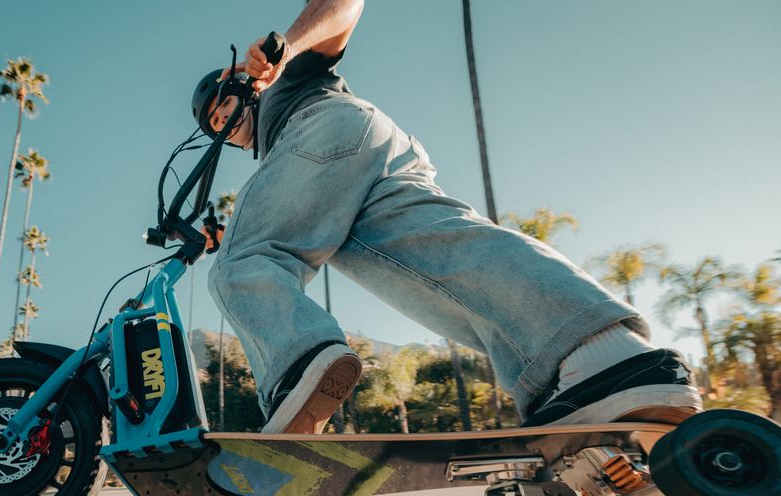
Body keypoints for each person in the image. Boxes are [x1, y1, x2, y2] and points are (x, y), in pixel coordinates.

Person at [196, 0, 701, 434]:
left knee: (244, 263)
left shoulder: (285, 87)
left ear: (242, 84)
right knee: (438, 249)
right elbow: (295, 201)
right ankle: (603, 359)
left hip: (323, 125)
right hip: (366, 149)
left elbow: (345, 4)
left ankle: (296, 364)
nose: (226, 123)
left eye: (226, 105)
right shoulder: (281, 157)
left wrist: (287, 44)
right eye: (216, 124)